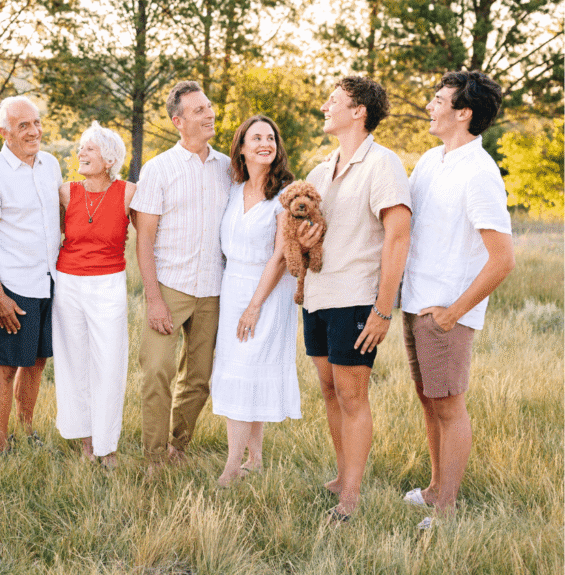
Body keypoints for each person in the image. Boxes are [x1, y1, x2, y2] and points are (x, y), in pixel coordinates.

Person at [399, 71, 514, 529]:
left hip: (445, 313)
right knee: (430, 402)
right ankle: (433, 490)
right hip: (416, 302)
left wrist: (452, 313)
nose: (430, 105)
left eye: (438, 99)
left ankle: (445, 509)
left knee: (450, 406)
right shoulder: (431, 160)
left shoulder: (480, 173)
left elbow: (502, 259)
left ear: (462, 113)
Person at [297, 76, 411, 523]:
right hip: (318, 297)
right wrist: (304, 241)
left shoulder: (384, 164)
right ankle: (342, 475)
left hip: (357, 299)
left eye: (335, 100)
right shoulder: (320, 170)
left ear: (359, 110)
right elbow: (310, 236)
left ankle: (352, 497)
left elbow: (397, 237)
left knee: (352, 396)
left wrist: (383, 310)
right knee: (328, 390)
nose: (325, 105)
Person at [130, 80, 232, 471]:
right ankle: (154, 457)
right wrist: (153, 298)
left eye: (209, 107)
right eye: (199, 110)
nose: (209, 115)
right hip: (171, 286)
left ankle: (178, 445)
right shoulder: (158, 170)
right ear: (178, 121)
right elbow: (144, 240)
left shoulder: (227, 168)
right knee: (157, 369)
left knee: (200, 377)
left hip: (213, 288)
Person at [209, 115, 300, 487]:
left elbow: (281, 255)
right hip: (234, 285)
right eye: (256, 137)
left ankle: (231, 466)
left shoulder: (285, 195)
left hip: (267, 291)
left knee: (247, 370)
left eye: (271, 138)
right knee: (244, 370)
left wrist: (255, 305)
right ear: (242, 148)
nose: (265, 143)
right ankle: (254, 458)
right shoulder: (233, 189)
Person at [0, 96, 62, 456]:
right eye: (23, 125)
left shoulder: (51, 165)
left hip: (51, 280)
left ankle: (27, 431)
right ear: (5, 132)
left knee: (38, 360)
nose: (34, 131)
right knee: (8, 364)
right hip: (16, 285)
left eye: (37, 123)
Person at [52, 121, 136, 468]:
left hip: (108, 283)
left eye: (90, 148)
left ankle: (108, 444)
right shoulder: (65, 191)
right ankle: (87, 441)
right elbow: (59, 230)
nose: (81, 153)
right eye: (81, 147)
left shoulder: (129, 192)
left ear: (109, 158)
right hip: (68, 282)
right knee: (75, 362)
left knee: (109, 362)